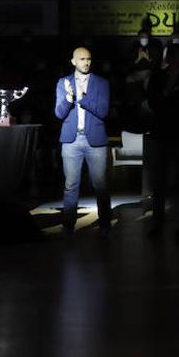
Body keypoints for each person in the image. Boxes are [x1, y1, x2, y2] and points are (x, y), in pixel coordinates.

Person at [54, 47, 112, 236]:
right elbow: (59, 113)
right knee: (71, 185)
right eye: (81, 59)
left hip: (95, 140)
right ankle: (68, 226)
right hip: (71, 140)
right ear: (73, 61)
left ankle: (104, 225)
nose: (86, 62)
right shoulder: (63, 82)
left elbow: (103, 112)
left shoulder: (101, 83)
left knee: (100, 185)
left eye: (88, 58)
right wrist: (69, 98)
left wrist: (82, 98)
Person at [145, 44, 179, 237]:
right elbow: (154, 102)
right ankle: (157, 224)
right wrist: (168, 90)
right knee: (160, 183)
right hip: (161, 135)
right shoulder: (158, 77)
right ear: (171, 59)